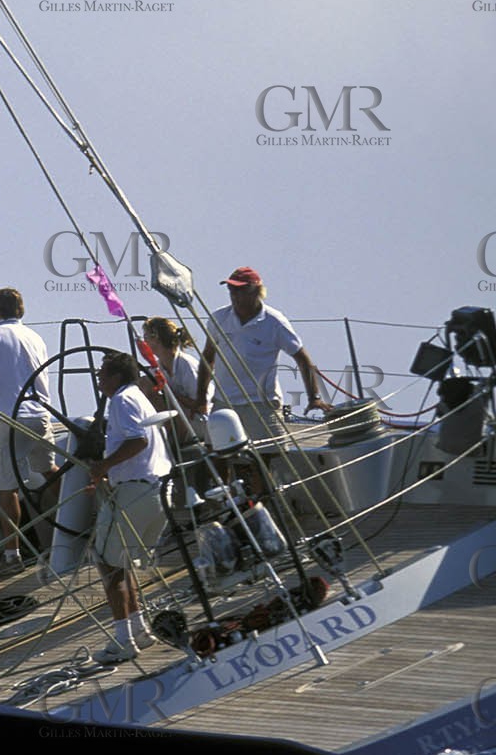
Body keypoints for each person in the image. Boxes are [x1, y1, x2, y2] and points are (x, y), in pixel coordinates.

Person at [87, 352, 174, 663]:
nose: (98, 380)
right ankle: (139, 630)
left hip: (135, 493)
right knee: (122, 563)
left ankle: (123, 640)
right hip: (159, 492)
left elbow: (138, 442)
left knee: (108, 565)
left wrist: (103, 466)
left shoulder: (122, 401)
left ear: (114, 377)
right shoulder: (139, 396)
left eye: (102, 375)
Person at [0, 288, 56, 572]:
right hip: (40, 415)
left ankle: (12, 556)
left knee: (7, 488)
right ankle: (70, 529)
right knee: (50, 472)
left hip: (7, 418)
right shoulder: (35, 337)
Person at [196, 267, 331, 443]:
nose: (234, 294)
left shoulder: (274, 322)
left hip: (262, 404)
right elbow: (208, 358)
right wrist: (201, 400)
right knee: (216, 455)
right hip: (224, 402)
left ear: (256, 291)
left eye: (240, 289)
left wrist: (314, 398)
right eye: (231, 290)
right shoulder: (219, 318)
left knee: (272, 454)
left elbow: (302, 359)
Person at [143, 317, 212, 440]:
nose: (144, 343)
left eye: (146, 338)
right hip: (184, 420)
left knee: (149, 388)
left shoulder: (186, 365)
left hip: (200, 422)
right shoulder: (158, 368)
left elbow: (203, 406)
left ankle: (171, 438)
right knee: (143, 384)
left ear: (156, 338)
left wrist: (169, 394)